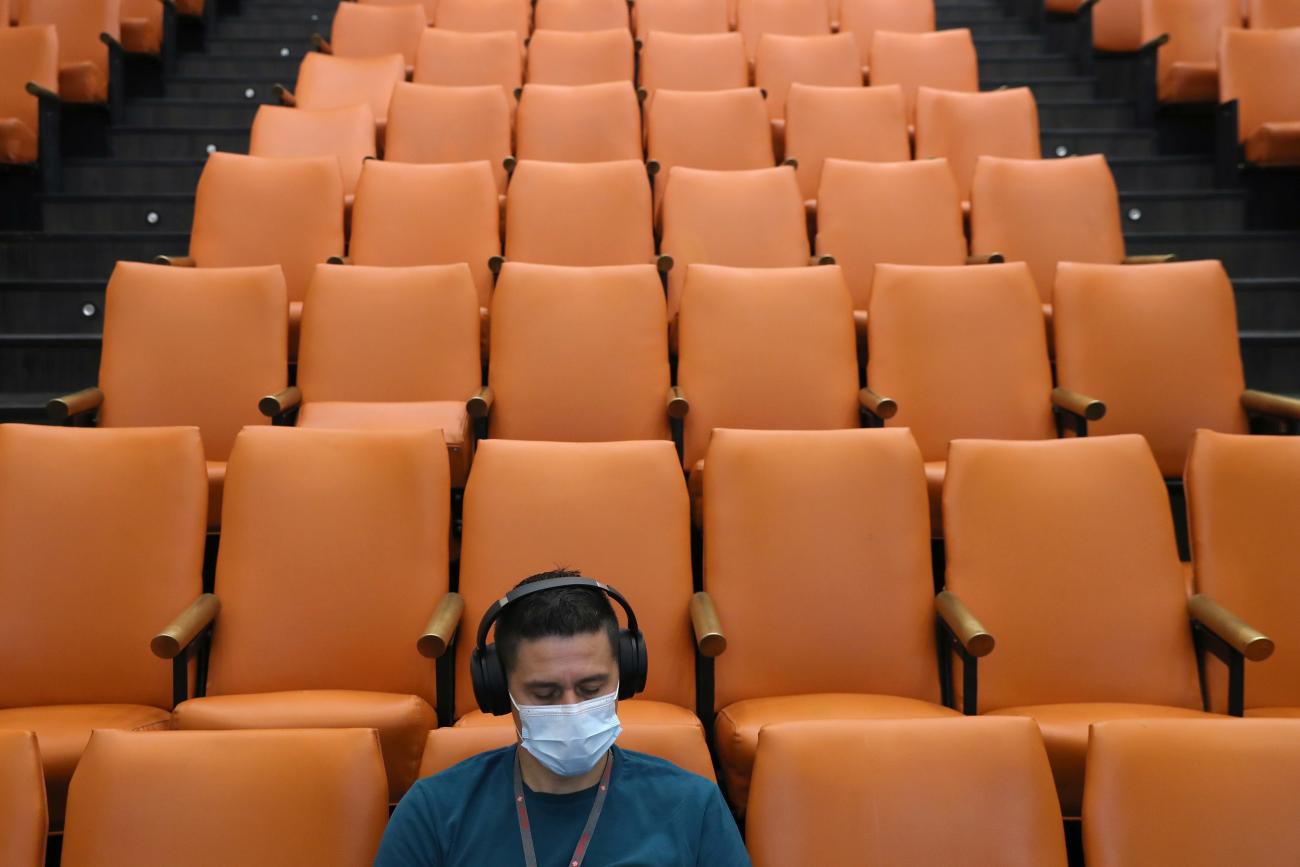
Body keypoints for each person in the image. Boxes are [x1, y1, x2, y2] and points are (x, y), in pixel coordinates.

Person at [374, 569, 750, 866]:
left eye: (591, 688)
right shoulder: (433, 810)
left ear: (626, 677)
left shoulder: (693, 806)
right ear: (498, 689)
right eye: (545, 693)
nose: (571, 707)